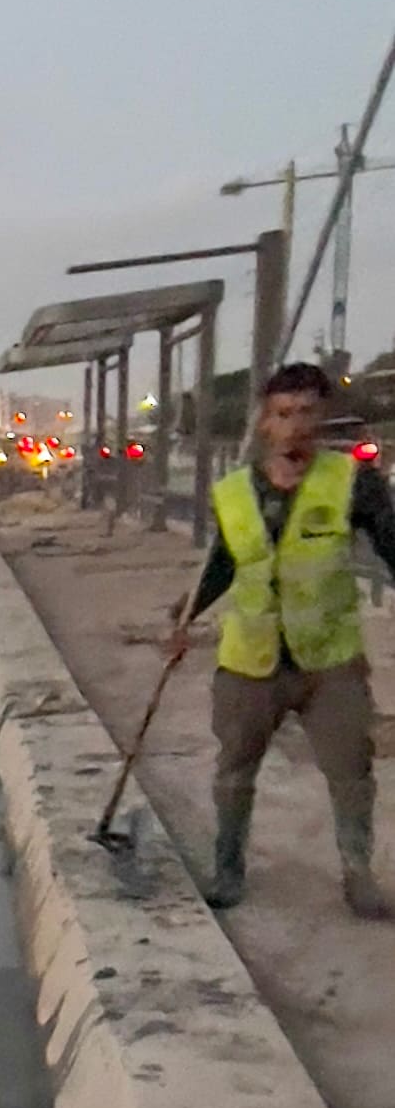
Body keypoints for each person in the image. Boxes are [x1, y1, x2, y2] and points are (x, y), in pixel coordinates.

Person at [175, 363, 395, 914]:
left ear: (321, 419)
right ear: (264, 423)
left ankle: (357, 876)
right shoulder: (232, 493)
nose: (294, 426)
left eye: (305, 413)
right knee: (233, 774)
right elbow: (221, 566)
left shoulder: (353, 482)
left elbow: (393, 545)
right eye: (282, 414)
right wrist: (181, 618)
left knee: (352, 773)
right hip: (249, 661)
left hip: (330, 660)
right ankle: (228, 870)